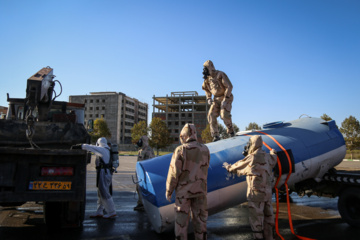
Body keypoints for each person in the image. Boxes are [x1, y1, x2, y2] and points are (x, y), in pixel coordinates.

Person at [223, 135, 277, 240]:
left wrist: (228, 167)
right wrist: (273, 152)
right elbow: (274, 159)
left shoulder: (252, 157)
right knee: (269, 217)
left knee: (256, 220)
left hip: (256, 194)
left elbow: (238, 166)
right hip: (267, 194)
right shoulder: (267, 157)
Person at [166, 123, 210, 240]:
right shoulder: (205, 149)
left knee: (181, 223)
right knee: (200, 221)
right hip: (200, 191)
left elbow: (174, 173)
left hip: (183, 193)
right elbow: (206, 167)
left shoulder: (181, 150)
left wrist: (169, 190)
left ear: (184, 136)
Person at [74, 137, 117, 219]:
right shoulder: (107, 149)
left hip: (103, 172)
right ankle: (99, 211)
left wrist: (80, 146)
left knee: (104, 193)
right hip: (106, 172)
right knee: (101, 192)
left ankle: (111, 212)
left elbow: (90, 147)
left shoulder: (103, 149)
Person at [202, 60, 234, 142]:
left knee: (224, 115)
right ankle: (215, 135)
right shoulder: (207, 79)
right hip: (215, 99)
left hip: (226, 97)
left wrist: (226, 99)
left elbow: (229, 86)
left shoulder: (220, 74)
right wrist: (209, 98)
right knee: (211, 115)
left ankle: (231, 132)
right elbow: (205, 89)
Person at [134, 135, 155, 211]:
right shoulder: (150, 149)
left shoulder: (144, 151)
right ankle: (143, 203)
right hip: (146, 173)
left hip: (143, 174)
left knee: (141, 189)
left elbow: (142, 162)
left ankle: (142, 204)